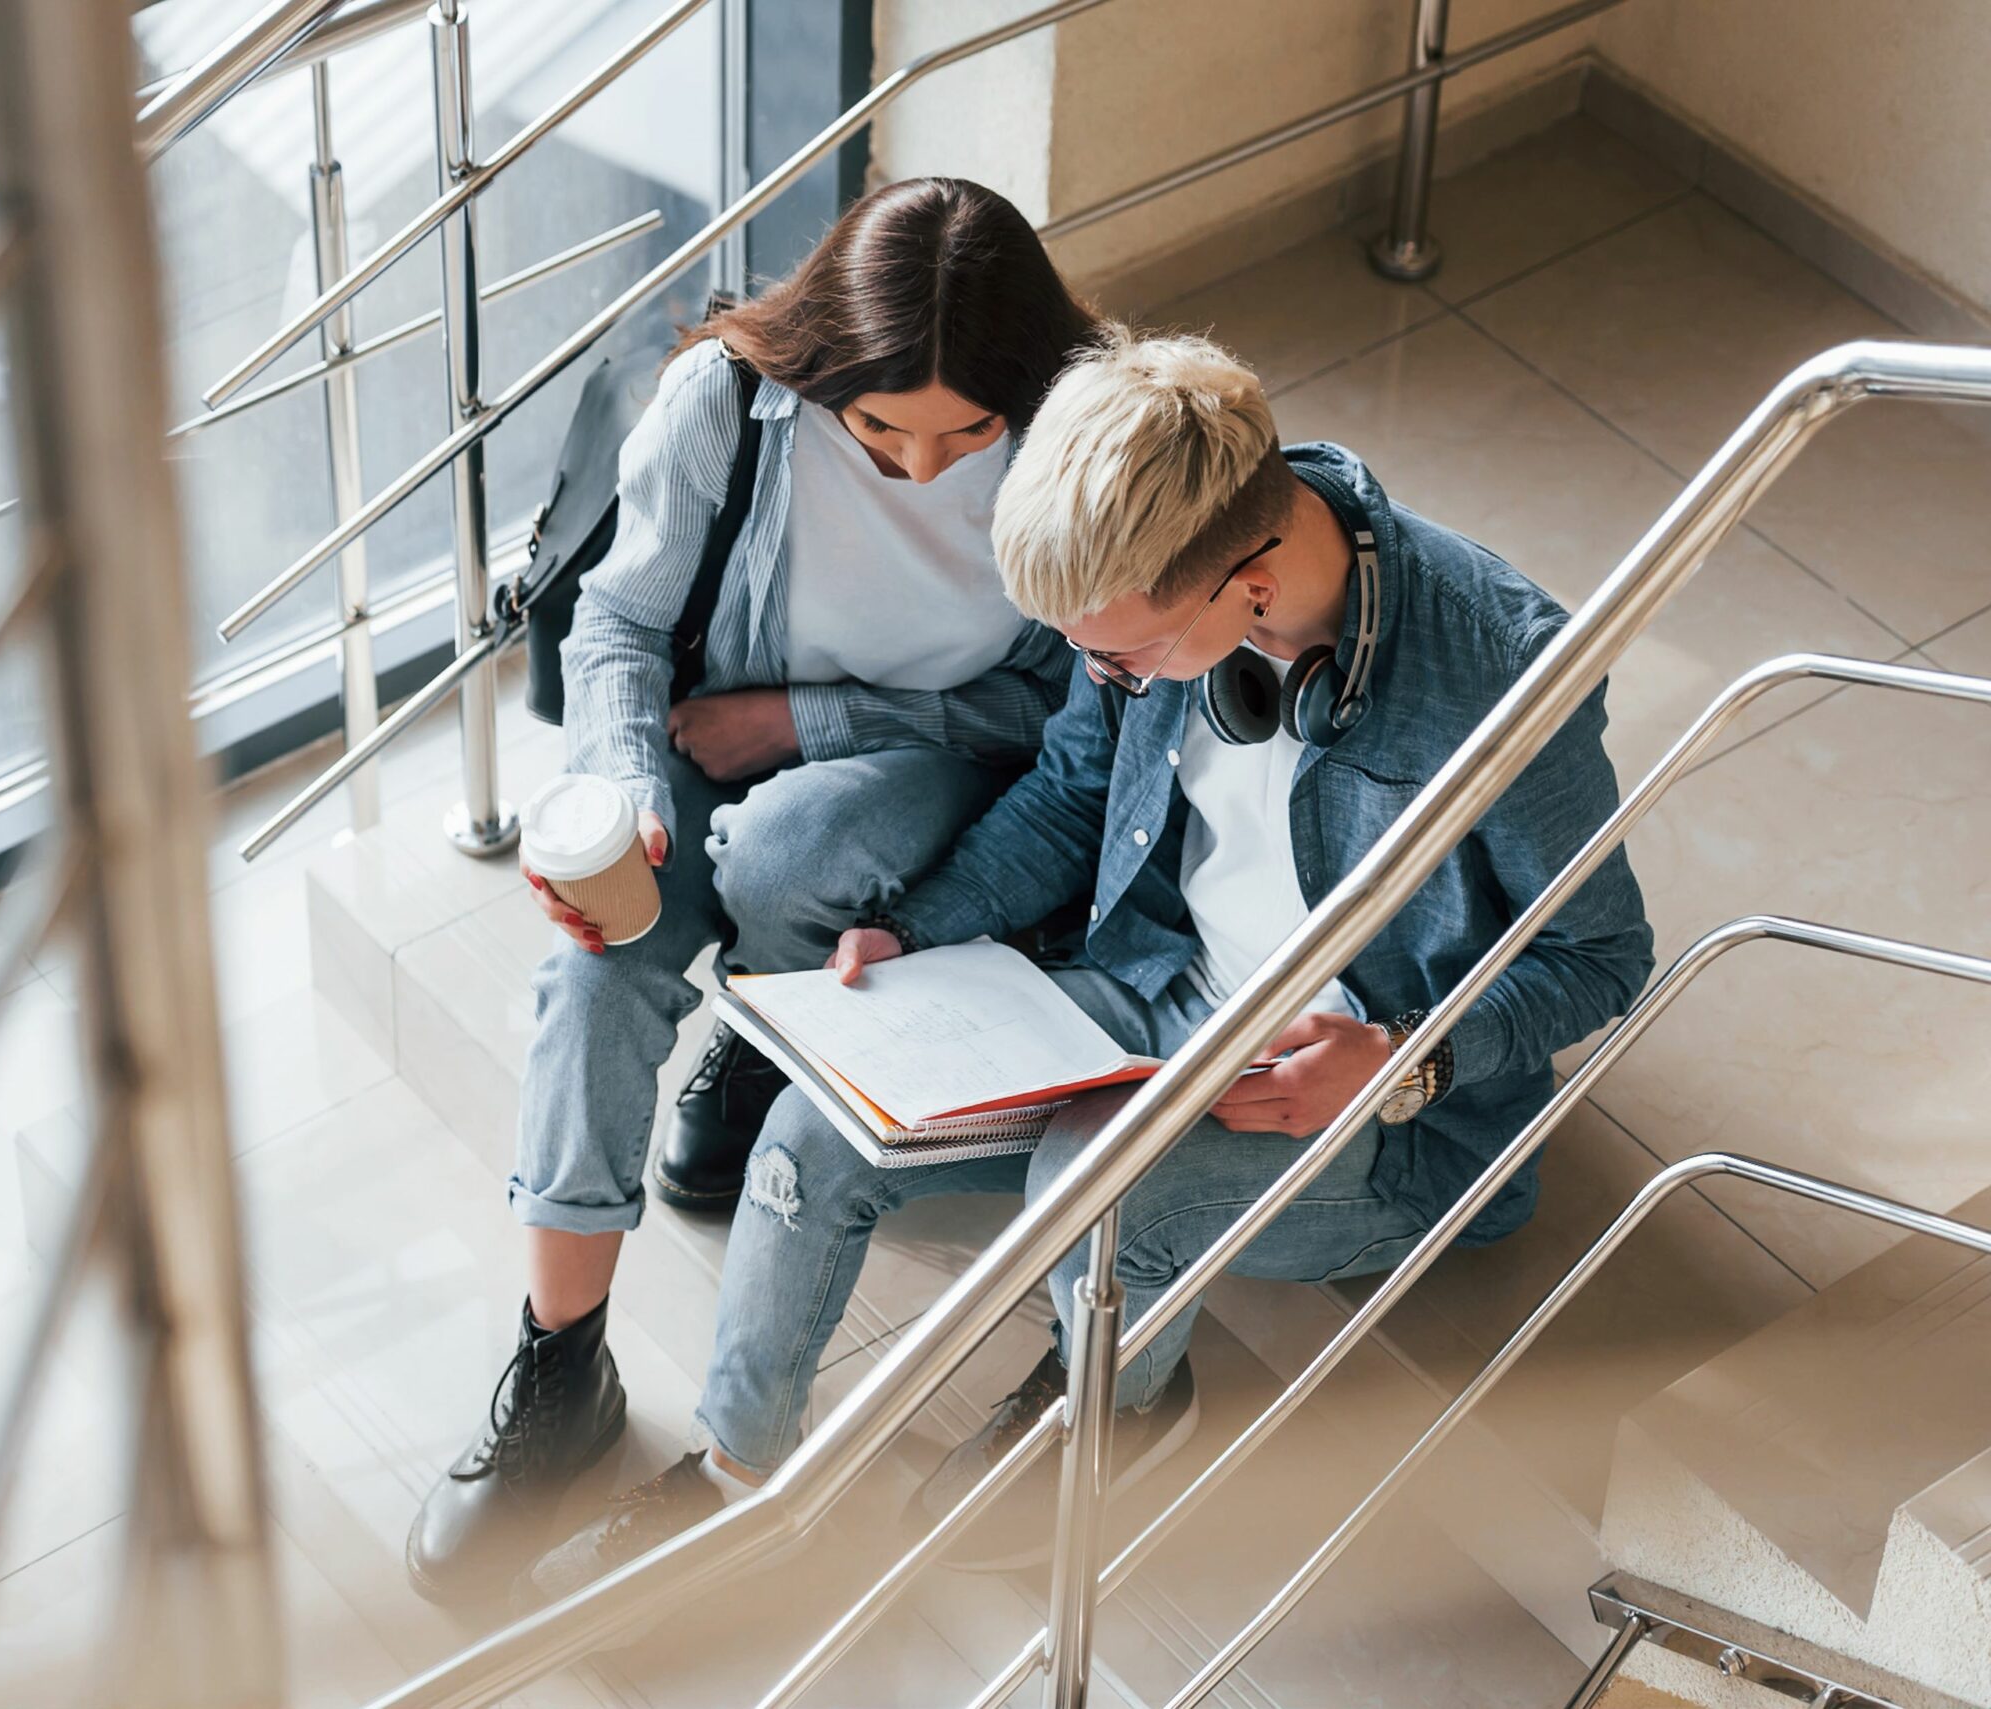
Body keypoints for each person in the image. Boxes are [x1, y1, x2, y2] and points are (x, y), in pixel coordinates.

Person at [523, 327, 1655, 1596]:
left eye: (1122, 657)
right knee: (802, 1133)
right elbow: (1070, 795)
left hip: (1374, 1103)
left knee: (1091, 1187)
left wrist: (1404, 1063)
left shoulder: (1504, 669)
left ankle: (1118, 1400)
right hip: (1153, 987)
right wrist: (920, 928)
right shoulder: (1151, 605)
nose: (1103, 677)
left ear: (1255, 578)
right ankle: (737, 1487)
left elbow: (1603, 957)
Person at [408, 178, 1105, 1603]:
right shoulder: (727, 400)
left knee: (789, 853)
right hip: (701, 743)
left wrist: (805, 720)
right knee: (596, 970)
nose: (925, 467)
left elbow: (1046, 703)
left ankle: (768, 1041)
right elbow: (618, 619)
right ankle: (560, 1372)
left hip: (927, 748)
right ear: (833, 371)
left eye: (966, 433)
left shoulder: (1079, 435)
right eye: (884, 430)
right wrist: (619, 799)